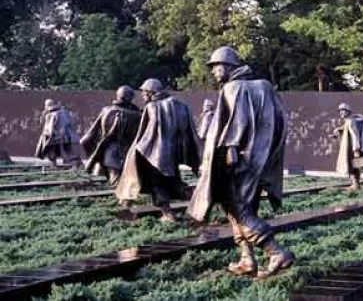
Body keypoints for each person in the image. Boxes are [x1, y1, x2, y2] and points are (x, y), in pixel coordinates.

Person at [187, 46, 293, 278]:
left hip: (236, 162)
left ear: (229, 67)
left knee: (239, 209)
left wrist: (231, 150)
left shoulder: (232, 88)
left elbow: (237, 122)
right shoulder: (265, 87)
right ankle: (247, 259)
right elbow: (281, 122)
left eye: (216, 67)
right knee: (238, 210)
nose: (214, 72)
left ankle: (276, 252)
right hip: (259, 161)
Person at [115, 78, 200, 222]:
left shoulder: (152, 107)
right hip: (172, 153)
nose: (142, 96)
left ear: (150, 92)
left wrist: (135, 152)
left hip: (155, 154)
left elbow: (144, 135)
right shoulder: (179, 105)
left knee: (158, 184)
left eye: (144, 93)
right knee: (174, 182)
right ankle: (199, 201)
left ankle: (168, 214)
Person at [80, 86, 142, 185]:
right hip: (124, 152)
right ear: (129, 98)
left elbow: (93, 130)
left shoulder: (106, 110)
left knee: (114, 177)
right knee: (117, 180)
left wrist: (85, 142)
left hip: (107, 150)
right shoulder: (135, 115)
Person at [334, 103, 363, 191]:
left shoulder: (351, 121)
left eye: (343, 111)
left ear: (348, 112)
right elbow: (347, 126)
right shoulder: (352, 120)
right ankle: (357, 185)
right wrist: (339, 129)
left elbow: (355, 136)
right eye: (340, 111)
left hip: (357, 149)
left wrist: (356, 150)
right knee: (355, 167)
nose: (341, 113)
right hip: (358, 149)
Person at [34, 99, 81, 170]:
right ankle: (71, 165)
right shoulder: (66, 112)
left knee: (52, 149)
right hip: (66, 136)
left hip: (57, 136)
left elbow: (50, 128)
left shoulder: (51, 114)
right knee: (66, 150)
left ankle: (57, 165)